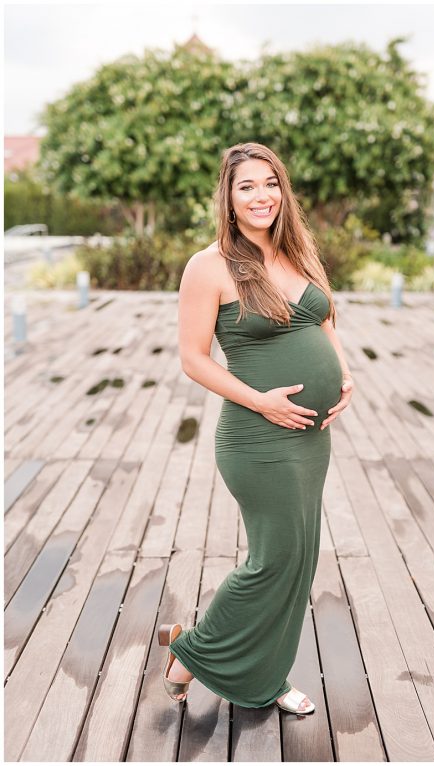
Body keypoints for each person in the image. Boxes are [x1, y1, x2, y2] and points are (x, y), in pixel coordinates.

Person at [161, 142, 354, 715]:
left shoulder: (298, 252)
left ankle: (266, 675)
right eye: (247, 186)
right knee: (274, 558)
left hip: (310, 436)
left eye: (270, 183)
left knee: (302, 557)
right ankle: (191, 654)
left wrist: (343, 373)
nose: (261, 195)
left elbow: (323, 319)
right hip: (256, 437)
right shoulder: (210, 265)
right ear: (228, 197)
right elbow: (193, 359)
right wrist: (261, 402)